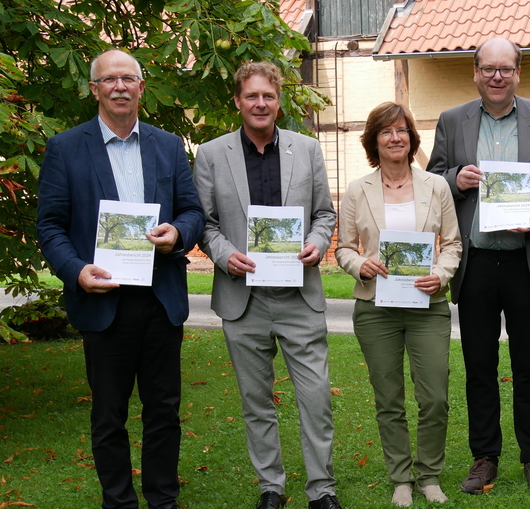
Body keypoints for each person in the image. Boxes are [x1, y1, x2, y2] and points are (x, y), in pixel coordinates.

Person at [36, 49, 205, 509]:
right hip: (103, 300)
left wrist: (178, 234)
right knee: (109, 416)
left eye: (128, 79)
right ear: (94, 89)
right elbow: (50, 225)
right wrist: (75, 271)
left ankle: (163, 500)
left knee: (164, 412)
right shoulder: (65, 148)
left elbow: (192, 211)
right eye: (109, 80)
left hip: (160, 298)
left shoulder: (168, 146)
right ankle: (119, 502)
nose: (119, 87)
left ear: (141, 87)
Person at [426, 37, 530, 494]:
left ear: (518, 72)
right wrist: (456, 179)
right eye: (488, 68)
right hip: (475, 265)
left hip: (525, 262)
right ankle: (484, 457)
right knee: (479, 365)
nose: (496, 76)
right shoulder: (453, 121)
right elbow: (431, 179)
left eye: (505, 69)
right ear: (475, 72)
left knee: (529, 366)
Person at [192, 61, 342, 509]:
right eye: (252, 96)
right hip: (243, 299)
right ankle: (271, 489)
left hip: (299, 294)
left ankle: (322, 490)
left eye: (268, 96)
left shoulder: (308, 149)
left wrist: (317, 244)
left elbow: (324, 214)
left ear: (279, 102)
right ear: (238, 101)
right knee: (256, 401)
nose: (260, 103)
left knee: (315, 398)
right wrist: (222, 254)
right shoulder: (212, 154)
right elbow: (206, 222)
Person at [335, 102, 462, 507]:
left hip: (428, 306)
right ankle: (401, 478)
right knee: (388, 398)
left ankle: (429, 474)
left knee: (435, 397)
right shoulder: (358, 189)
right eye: (386, 132)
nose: (395, 137)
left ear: (412, 137)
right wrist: (361, 264)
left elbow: (453, 244)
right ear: (374, 140)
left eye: (402, 130)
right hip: (376, 309)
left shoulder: (436, 186)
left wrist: (440, 275)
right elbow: (343, 249)